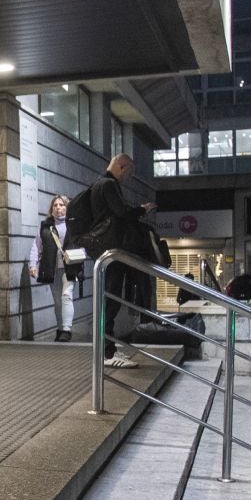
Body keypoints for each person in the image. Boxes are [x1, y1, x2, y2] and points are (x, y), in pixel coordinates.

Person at [86, 155, 170, 368]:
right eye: (129, 173)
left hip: (110, 252)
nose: (128, 178)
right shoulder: (108, 185)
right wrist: (143, 209)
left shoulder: (100, 184)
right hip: (113, 251)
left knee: (111, 300)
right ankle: (106, 353)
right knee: (111, 301)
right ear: (121, 167)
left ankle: (107, 350)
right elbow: (122, 212)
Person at [27, 194, 81, 342]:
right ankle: (60, 328)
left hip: (70, 267)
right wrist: (33, 264)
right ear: (51, 209)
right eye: (55, 205)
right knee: (57, 301)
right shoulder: (45, 225)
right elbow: (36, 246)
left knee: (66, 296)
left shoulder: (74, 224)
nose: (58, 208)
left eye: (62, 205)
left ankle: (67, 330)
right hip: (52, 268)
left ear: (67, 207)